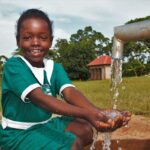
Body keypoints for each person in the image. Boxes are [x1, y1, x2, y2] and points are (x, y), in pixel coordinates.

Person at [0, 9, 131, 150]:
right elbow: (40, 98)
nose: (35, 43)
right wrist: (88, 113)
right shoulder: (14, 66)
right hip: (16, 135)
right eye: (27, 37)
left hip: (44, 125)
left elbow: (70, 93)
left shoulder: (54, 67)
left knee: (86, 127)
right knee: (71, 144)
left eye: (43, 38)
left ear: (50, 41)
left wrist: (100, 114)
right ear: (18, 40)